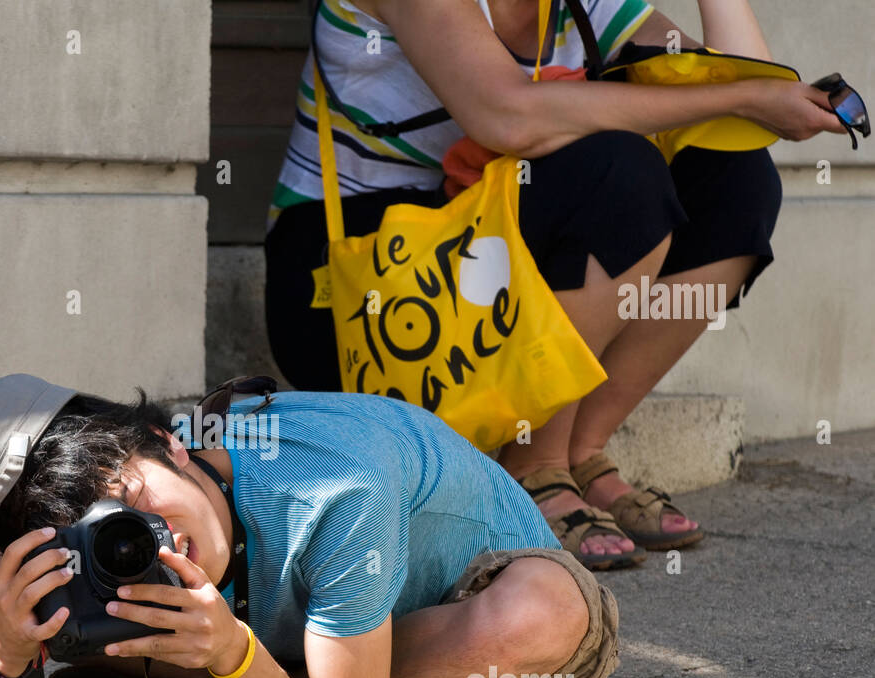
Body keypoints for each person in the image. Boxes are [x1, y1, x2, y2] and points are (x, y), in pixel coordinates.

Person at [264, 0, 848, 571]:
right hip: (356, 290)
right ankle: (530, 466)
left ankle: (578, 452)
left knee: (736, 178)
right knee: (618, 172)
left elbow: (752, 111)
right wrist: (748, 97)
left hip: (474, 252)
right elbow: (505, 115)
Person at [0, 373, 621, 678]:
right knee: (12, 599)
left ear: (171, 441)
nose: (152, 538)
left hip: (470, 635)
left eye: (129, 499)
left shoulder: (338, 487)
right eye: (107, 536)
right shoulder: (88, 548)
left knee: (543, 613)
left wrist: (234, 659)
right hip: (296, 642)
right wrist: (3, 652)